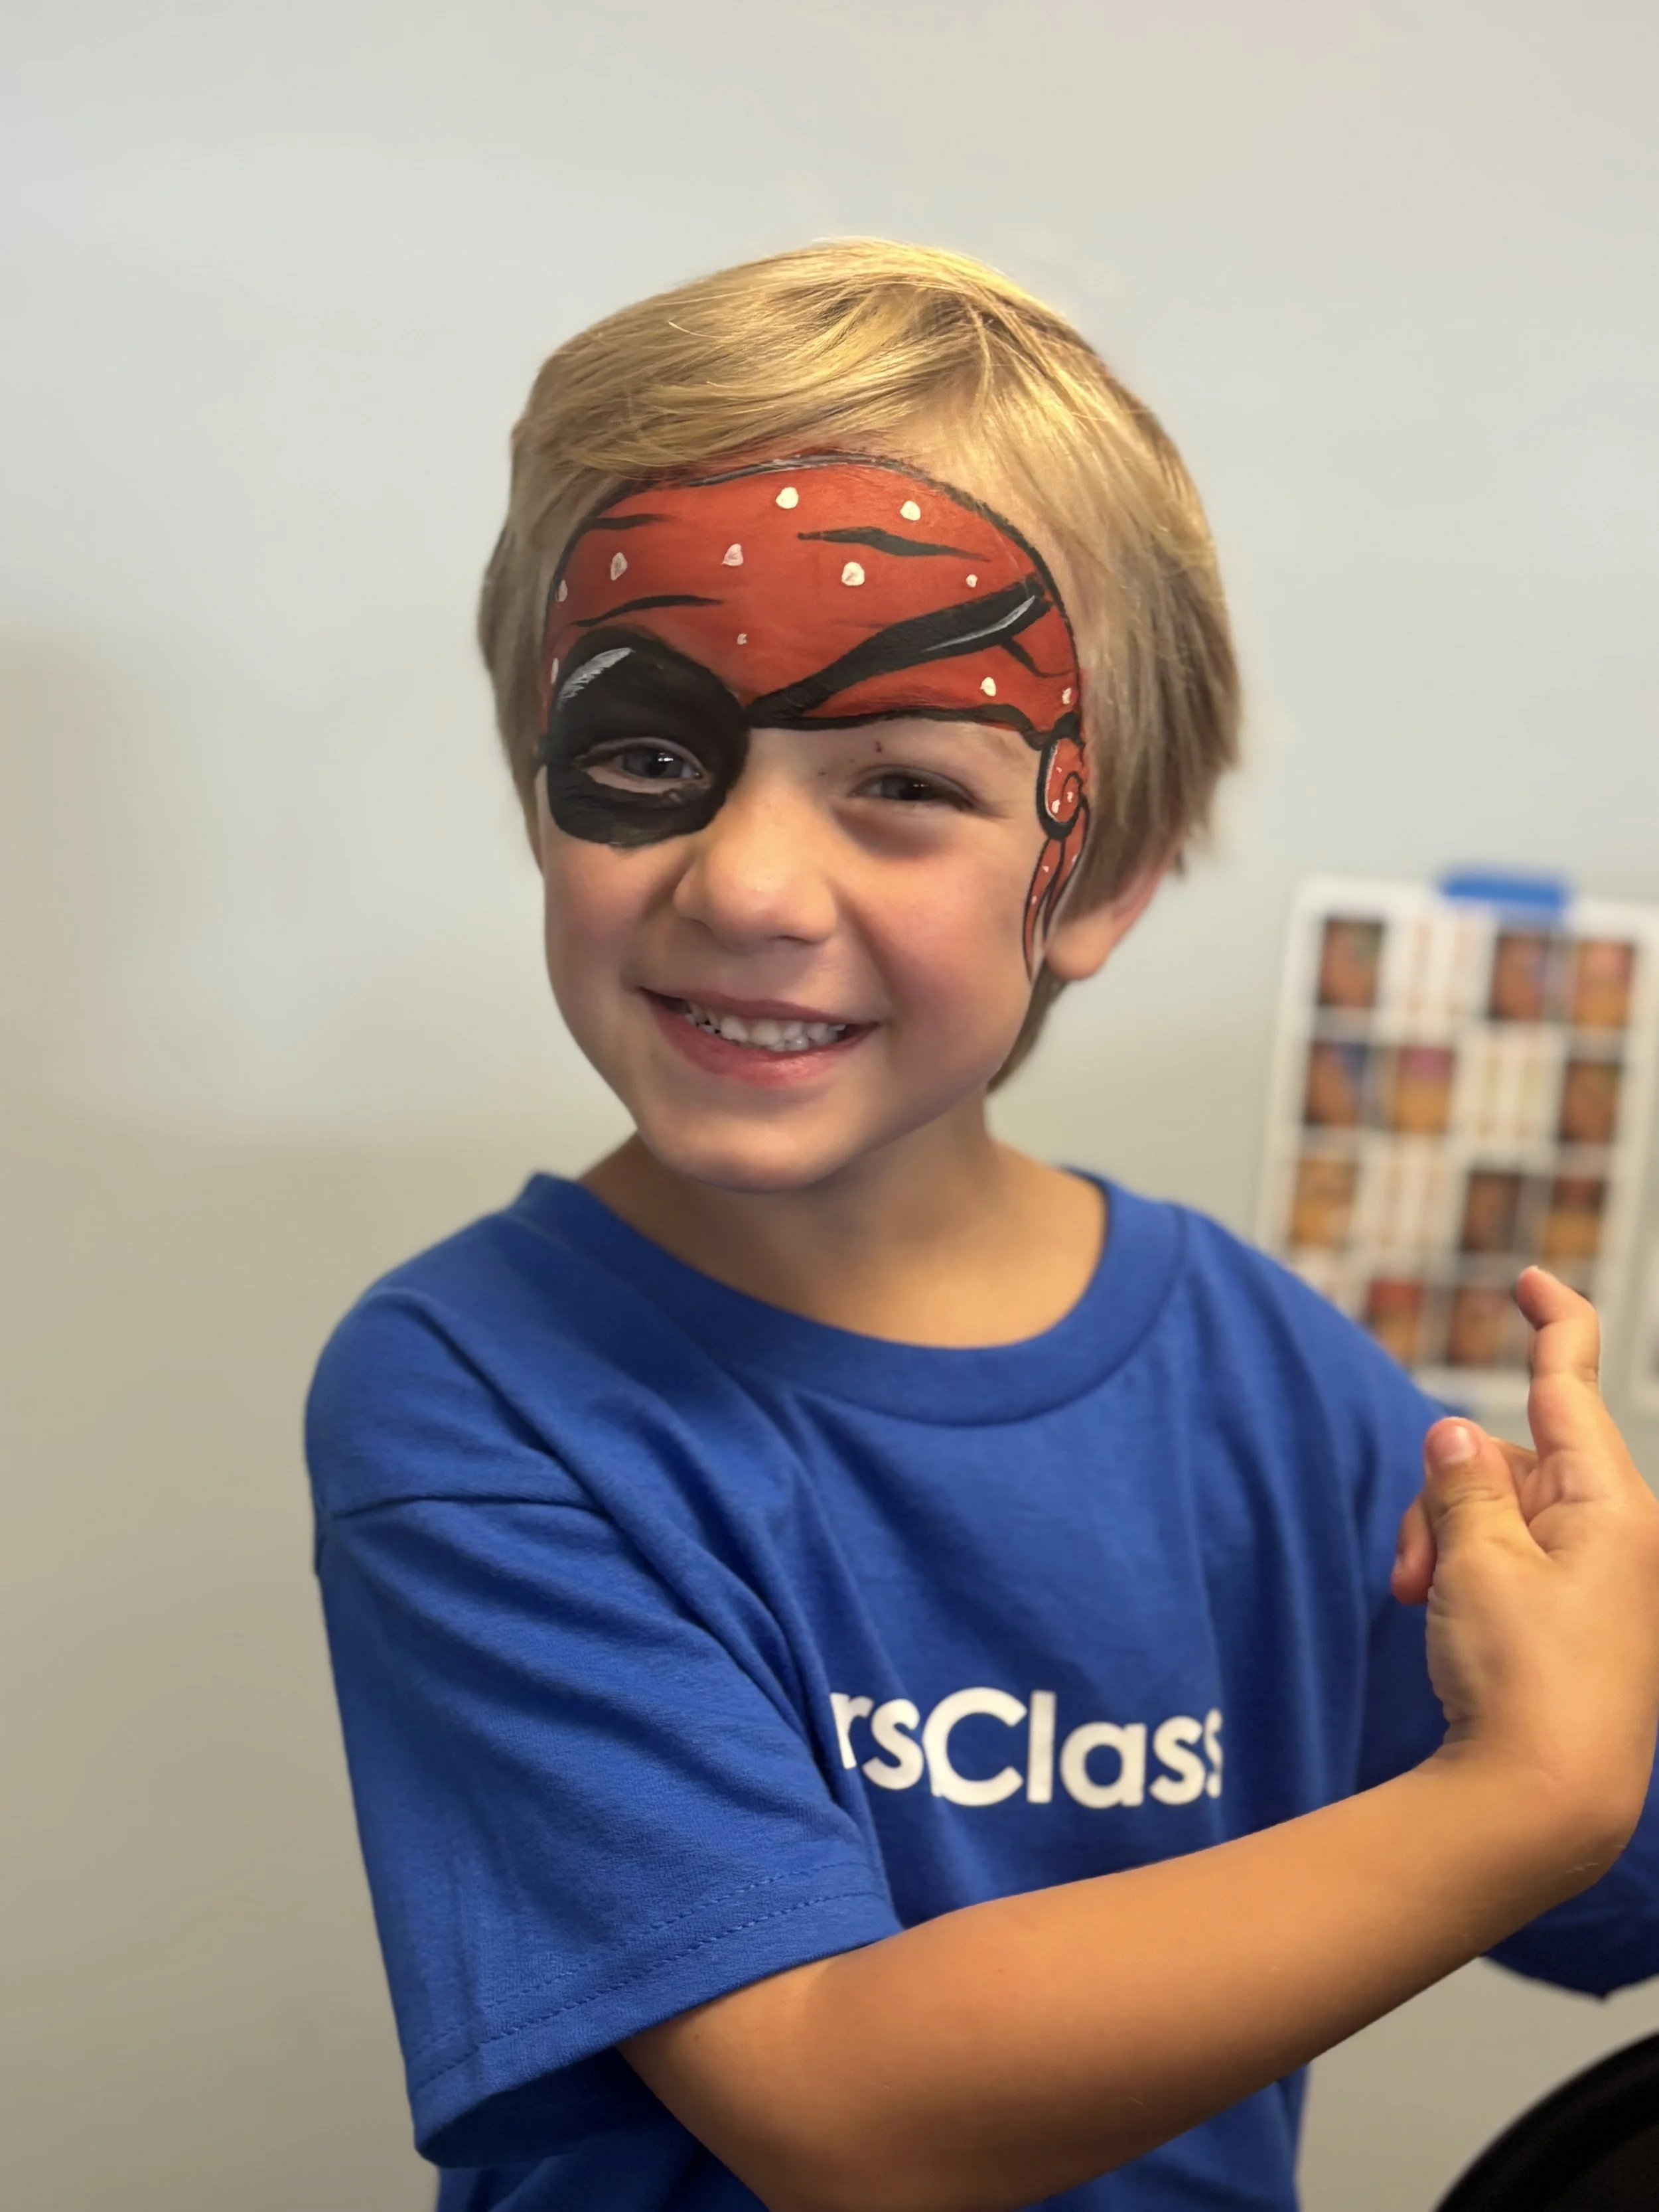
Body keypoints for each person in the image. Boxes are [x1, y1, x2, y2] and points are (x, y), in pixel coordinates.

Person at [305, 240, 1659, 2212]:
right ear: (541, 783)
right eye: (650, 756)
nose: (752, 881)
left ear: (1096, 874)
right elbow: (842, 2104)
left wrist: (1592, 1692)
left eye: (901, 786)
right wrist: (1513, 1799)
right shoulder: (477, 1393)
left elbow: (1610, 1870)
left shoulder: (1271, 1380)